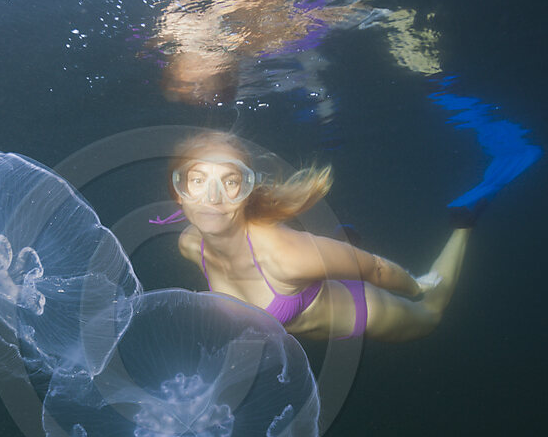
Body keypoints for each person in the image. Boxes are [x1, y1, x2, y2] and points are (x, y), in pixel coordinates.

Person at [168, 131, 469, 342]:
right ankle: (342, 245)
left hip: (359, 311)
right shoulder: (190, 245)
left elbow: (375, 268)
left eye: (230, 181)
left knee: (431, 316)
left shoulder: (285, 257)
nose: (212, 197)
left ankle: (464, 222)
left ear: (246, 193)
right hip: (314, 277)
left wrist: (417, 288)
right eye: (197, 180)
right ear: (178, 193)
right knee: (322, 258)